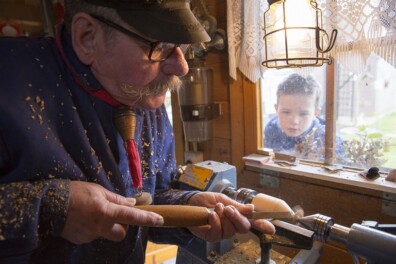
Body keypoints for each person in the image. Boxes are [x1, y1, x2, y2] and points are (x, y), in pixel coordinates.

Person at [0, 0, 276, 263]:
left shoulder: (143, 92)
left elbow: (149, 198)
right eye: (161, 47)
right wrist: (50, 208)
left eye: (182, 48)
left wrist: (191, 209)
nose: (181, 67)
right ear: (88, 37)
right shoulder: (9, 78)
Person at [264, 73, 344, 160]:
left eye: (303, 114)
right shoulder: (271, 129)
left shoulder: (327, 138)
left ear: (315, 113)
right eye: (286, 112)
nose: (294, 121)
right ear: (276, 109)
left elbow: (342, 166)